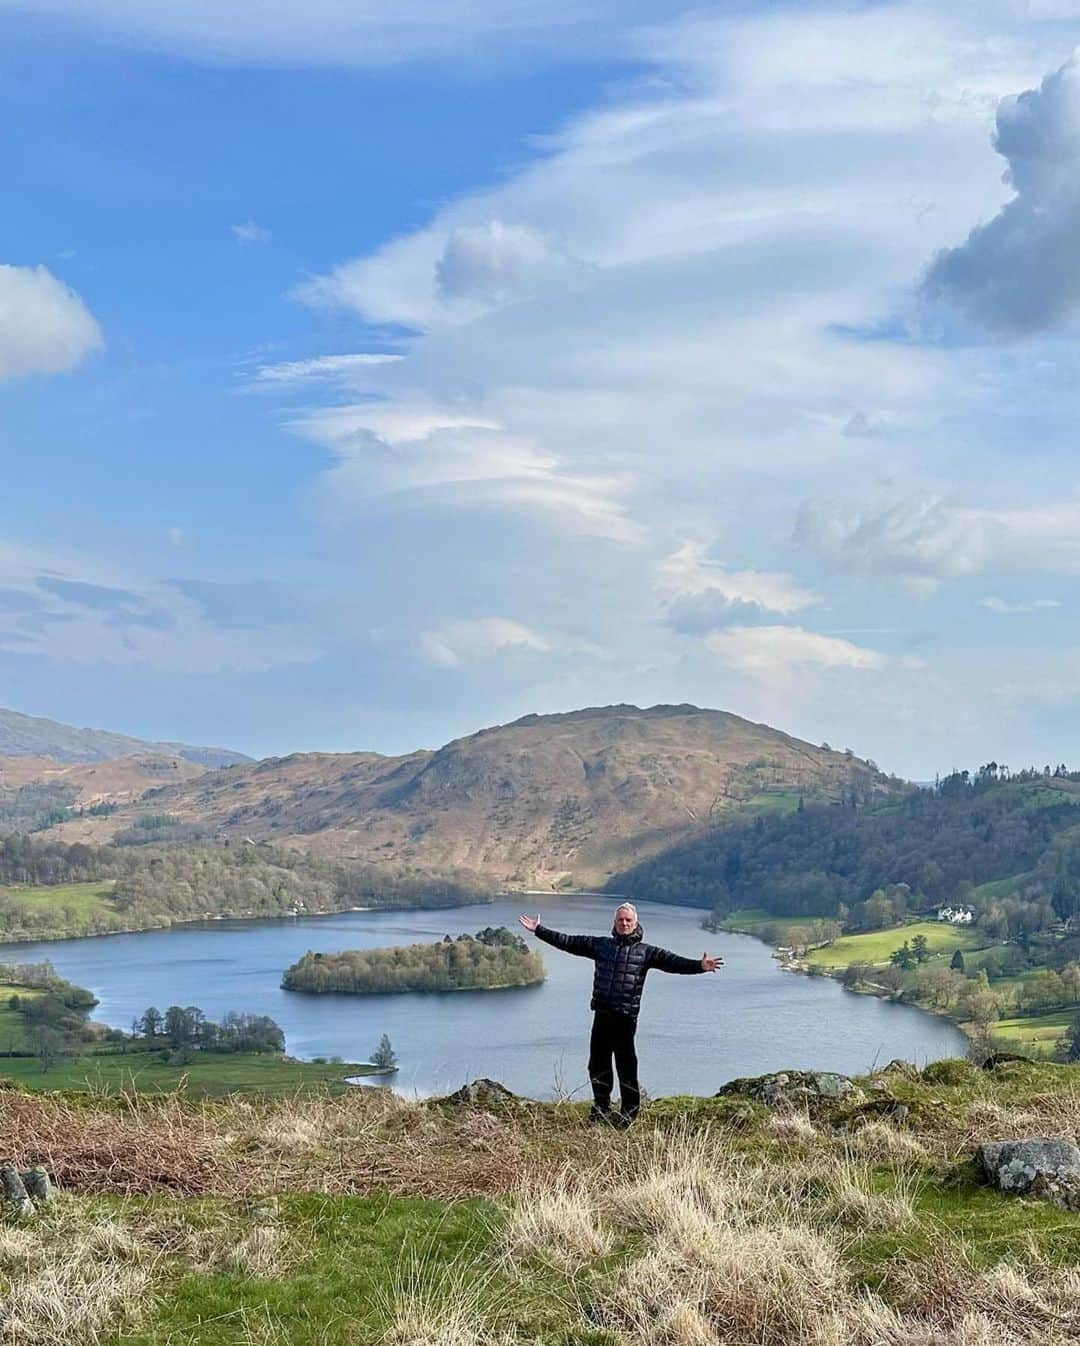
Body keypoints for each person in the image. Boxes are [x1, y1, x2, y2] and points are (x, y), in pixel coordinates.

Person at [518, 903, 723, 1126]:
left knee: (626, 1066)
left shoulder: (646, 952)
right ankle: (601, 1109)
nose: (624, 923)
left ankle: (629, 1113)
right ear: (614, 923)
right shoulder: (601, 946)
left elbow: (673, 963)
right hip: (602, 1015)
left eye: (628, 920)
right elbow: (568, 942)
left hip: (626, 1018)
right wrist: (539, 930)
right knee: (598, 1064)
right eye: (620, 920)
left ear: (635, 923)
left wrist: (700, 966)